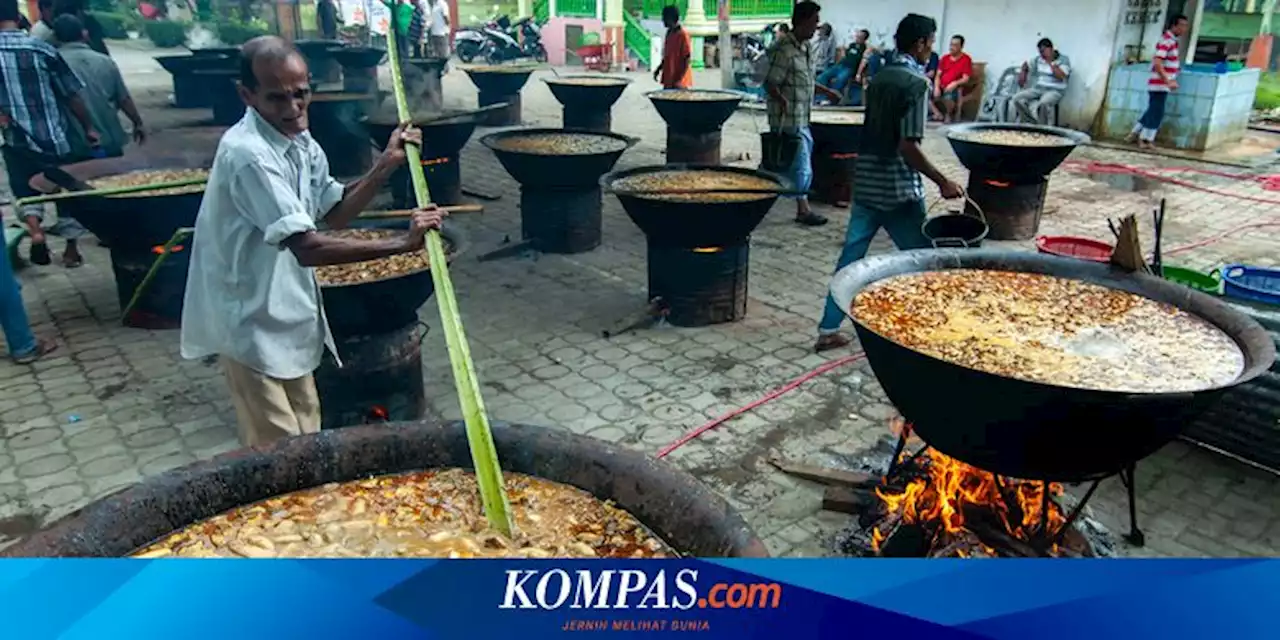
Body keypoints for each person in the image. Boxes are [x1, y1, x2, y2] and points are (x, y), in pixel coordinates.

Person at [180, 37, 445, 447]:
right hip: (248, 318)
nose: (292, 110)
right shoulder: (248, 154)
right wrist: (402, 244)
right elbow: (308, 247)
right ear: (246, 95)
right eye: (276, 98)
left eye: (300, 95)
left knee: (307, 433)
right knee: (277, 452)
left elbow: (334, 213)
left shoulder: (300, 142)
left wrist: (385, 165)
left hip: (287, 311)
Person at [813, 13, 962, 352]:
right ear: (921, 42)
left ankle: (827, 327)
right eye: (930, 42)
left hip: (865, 180)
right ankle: (929, 327)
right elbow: (907, 146)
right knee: (923, 259)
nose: (931, 49)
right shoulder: (916, 83)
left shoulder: (878, 78)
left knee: (851, 257)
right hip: (897, 189)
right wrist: (942, 181)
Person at [0, 0, 99, 269]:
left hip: (15, 140)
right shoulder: (42, 49)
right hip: (54, 137)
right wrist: (89, 128)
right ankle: (70, 250)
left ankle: (36, 232)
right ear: (17, 17)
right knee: (64, 189)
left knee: (24, 188)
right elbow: (72, 94)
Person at [762, 1, 840, 227]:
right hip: (787, 117)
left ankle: (763, 193)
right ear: (802, 22)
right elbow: (770, 83)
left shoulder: (805, 48)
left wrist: (828, 92)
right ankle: (803, 209)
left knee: (781, 163)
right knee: (800, 164)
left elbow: (807, 81)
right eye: (814, 22)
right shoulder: (783, 49)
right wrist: (781, 100)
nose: (816, 28)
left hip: (803, 115)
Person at [53, 15, 145, 160]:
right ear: (84, 34)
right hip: (110, 140)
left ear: (55, 37)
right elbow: (123, 99)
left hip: (75, 144)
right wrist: (137, 123)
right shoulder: (105, 61)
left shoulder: (52, 64)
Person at [1127, 14, 1188, 149]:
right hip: (1159, 83)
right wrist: (1168, 80)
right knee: (1157, 111)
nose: (1184, 29)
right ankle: (1145, 138)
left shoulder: (1171, 42)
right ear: (1174, 26)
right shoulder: (1167, 41)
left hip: (1161, 83)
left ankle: (1135, 132)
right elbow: (1158, 62)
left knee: (1153, 109)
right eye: (1182, 25)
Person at [1012, 38, 1070, 125]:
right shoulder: (1038, 59)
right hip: (1038, 88)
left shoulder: (1063, 60)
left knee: (1043, 104)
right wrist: (1023, 73)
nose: (1041, 54)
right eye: (1040, 52)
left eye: (1043, 51)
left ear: (1050, 49)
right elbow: (1025, 65)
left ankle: (1043, 127)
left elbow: (1061, 76)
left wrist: (1051, 62)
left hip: (1055, 90)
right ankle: (1031, 122)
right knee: (1017, 98)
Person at [818, 28, 869, 105]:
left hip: (849, 69)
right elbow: (844, 56)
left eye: (860, 37)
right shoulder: (852, 45)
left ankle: (830, 100)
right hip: (840, 65)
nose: (857, 38)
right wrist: (842, 51)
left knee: (840, 80)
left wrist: (858, 74)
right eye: (857, 35)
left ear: (864, 39)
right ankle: (819, 99)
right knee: (822, 76)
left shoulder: (864, 48)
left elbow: (864, 61)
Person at [931, 34, 973, 123]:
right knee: (924, 92)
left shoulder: (966, 59)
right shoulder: (945, 58)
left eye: (955, 45)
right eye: (951, 44)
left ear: (961, 47)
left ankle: (948, 115)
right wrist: (936, 87)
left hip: (954, 87)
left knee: (949, 94)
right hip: (941, 85)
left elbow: (966, 78)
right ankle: (937, 113)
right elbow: (938, 75)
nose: (951, 47)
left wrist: (955, 83)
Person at [652, 5, 691, 89]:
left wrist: (680, 79)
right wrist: (659, 69)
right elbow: (667, 56)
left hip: (679, 81)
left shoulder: (683, 35)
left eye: (664, 18)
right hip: (669, 79)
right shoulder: (669, 33)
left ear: (670, 18)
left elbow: (687, 59)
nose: (662, 20)